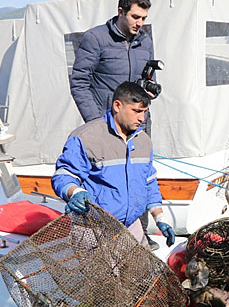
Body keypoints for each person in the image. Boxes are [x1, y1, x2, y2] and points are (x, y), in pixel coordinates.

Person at [69, 0, 157, 247]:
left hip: (137, 125)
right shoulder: (95, 38)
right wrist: (97, 123)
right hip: (105, 125)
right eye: (135, 17)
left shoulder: (145, 40)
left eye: (143, 19)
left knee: (139, 178)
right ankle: (103, 237)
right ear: (121, 12)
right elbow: (79, 83)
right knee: (105, 182)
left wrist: (150, 90)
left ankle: (140, 234)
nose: (140, 24)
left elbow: (148, 81)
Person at [52, 81, 174, 249]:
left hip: (132, 227)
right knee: (99, 276)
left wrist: (160, 218)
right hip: (94, 230)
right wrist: (74, 192)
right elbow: (64, 175)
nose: (142, 118)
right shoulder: (85, 137)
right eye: (137, 111)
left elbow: (149, 182)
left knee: (141, 274)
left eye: (145, 112)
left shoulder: (144, 141)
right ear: (117, 106)